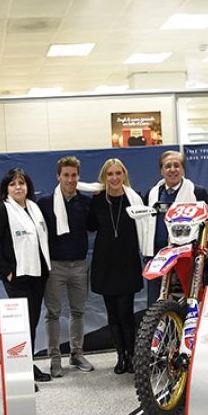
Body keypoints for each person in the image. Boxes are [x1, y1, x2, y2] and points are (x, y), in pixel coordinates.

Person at [0, 168, 52, 382]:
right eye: (13, 184)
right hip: (18, 277)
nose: (18, 187)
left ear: (27, 186)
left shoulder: (33, 207)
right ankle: (21, 373)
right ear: (6, 189)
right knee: (22, 326)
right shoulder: (2, 210)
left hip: (38, 275)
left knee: (31, 323)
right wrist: (7, 272)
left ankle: (27, 365)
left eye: (21, 183)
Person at [87, 158, 146, 374]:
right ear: (104, 177)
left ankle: (132, 356)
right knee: (112, 313)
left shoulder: (135, 198)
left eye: (118, 173)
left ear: (124, 175)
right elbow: (90, 226)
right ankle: (120, 356)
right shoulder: (97, 200)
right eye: (110, 174)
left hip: (127, 263)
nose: (114, 178)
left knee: (125, 312)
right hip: (105, 264)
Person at [38, 156, 94, 377]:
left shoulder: (86, 201)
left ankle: (76, 354)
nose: (70, 180)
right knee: (53, 313)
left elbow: (90, 227)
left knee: (78, 312)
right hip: (54, 266)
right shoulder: (45, 202)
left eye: (74, 175)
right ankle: (54, 357)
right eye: (66, 175)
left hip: (79, 265)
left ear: (79, 176)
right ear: (58, 176)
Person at [143, 150, 208, 304]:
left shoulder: (197, 192)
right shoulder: (152, 194)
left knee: (188, 301)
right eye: (168, 166)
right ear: (161, 170)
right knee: (154, 305)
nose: (172, 169)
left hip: (185, 257)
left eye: (176, 165)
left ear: (183, 169)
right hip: (156, 256)